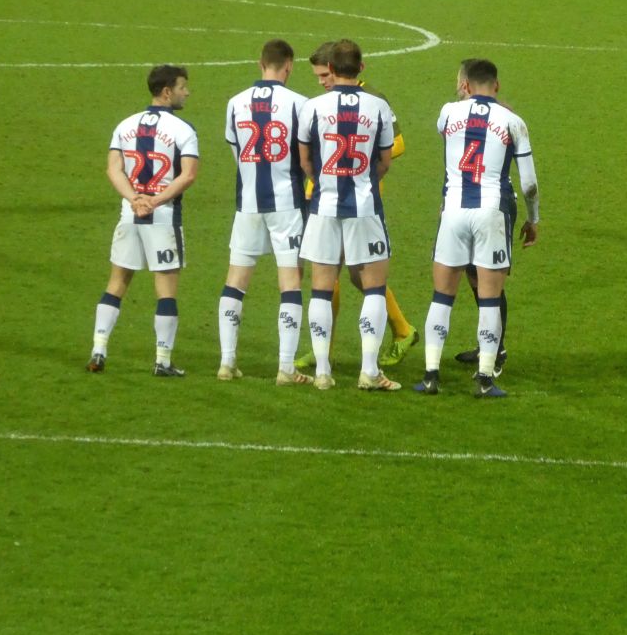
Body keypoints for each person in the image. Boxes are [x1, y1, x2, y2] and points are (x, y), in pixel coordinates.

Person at [415, 59, 539, 399]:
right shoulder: (514, 122)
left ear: (465, 85)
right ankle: (485, 378)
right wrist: (533, 218)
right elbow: (528, 184)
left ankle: (430, 375)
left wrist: (465, 97)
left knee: (442, 297)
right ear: (497, 86)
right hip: (492, 213)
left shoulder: (447, 112)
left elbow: (456, 119)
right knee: (488, 299)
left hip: (453, 211)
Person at [294, 42, 419, 373]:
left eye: (324, 74)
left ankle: (327, 354)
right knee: (348, 276)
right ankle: (396, 332)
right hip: (328, 197)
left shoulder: (374, 102)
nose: (321, 81)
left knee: (340, 275)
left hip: (357, 199)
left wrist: (356, 171)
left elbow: (399, 144)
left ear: (335, 69)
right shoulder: (329, 104)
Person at [87, 66, 200, 376]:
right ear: (167, 92)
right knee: (166, 291)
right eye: (182, 87)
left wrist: (134, 199)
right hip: (163, 220)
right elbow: (188, 174)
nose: (186, 92)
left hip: (129, 217)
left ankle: (99, 349)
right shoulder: (183, 130)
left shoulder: (124, 125)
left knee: (117, 283)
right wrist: (155, 201)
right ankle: (162, 361)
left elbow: (113, 169)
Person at [218, 40, 312, 385]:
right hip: (287, 205)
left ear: (260, 63)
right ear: (289, 65)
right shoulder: (300, 104)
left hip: (248, 205)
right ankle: (286, 368)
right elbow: (306, 157)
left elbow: (237, 151)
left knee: (236, 280)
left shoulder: (234, 104)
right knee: (290, 282)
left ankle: (227, 363)